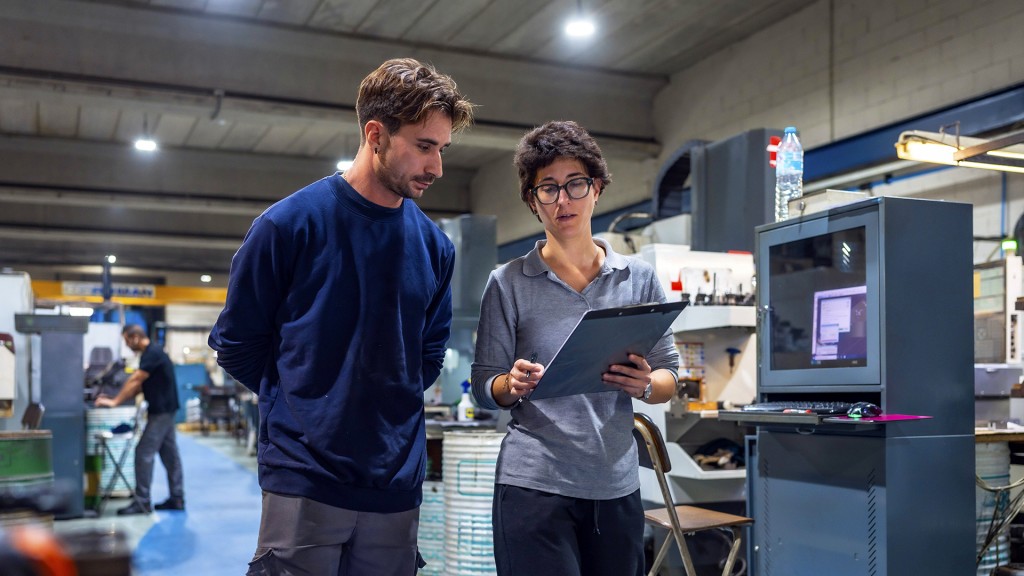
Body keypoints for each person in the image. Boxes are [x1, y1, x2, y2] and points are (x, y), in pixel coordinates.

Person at [208, 57, 474, 576]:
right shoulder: (288, 227)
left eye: (441, 149)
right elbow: (237, 342)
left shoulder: (434, 247)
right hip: (305, 478)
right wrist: (305, 403)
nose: (437, 167)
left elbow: (428, 355)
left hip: (396, 485)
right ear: (376, 134)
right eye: (424, 146)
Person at [471, 120, 680, 576]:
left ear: (597, 189)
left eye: (575, 184)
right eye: (547, 189)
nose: (562, 200)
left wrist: (646, 384)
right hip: (533, 486)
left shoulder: (638, 278)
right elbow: (483, 387)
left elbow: (669, 377)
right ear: (532, 201)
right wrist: (512, 382)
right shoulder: (507, 283)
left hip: (615, 486)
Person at [95, 324, 185, 515]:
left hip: (161, 412)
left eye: (127, 340)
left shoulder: (152, 352)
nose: (128, 345)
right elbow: (139, 385)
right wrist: (119, 398)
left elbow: (136, 379)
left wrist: (115, 401)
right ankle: (177, 498)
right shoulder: (150, 354)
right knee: (170, 456)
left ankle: (142, 501)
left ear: (135, 337)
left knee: (143, 452)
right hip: (164, 410)